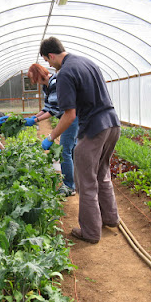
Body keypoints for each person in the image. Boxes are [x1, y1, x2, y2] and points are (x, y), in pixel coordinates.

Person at [39, 37, 121, 244]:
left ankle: (91, 232)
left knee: (86, 181)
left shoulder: (65, 73)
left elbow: (69, 115)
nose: (50, 65)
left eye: (48, 61)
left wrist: (51, 137)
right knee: (102, 173)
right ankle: (110, 218)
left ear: (51, 55)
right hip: (112, 124)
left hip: (94, 129)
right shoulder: (88, 62)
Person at [24, 63, 79, 196]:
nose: (33, 81)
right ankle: (76, 181)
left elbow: (54, 110)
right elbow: (47, 106)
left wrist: (36, 120)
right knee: (72, 150)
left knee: (65, 150)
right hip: (66, 117)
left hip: (71, 118)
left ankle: (69, 186)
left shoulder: (55, 82)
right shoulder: (46, 86)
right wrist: (34, 116)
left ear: (38, 74)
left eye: (33, 78)